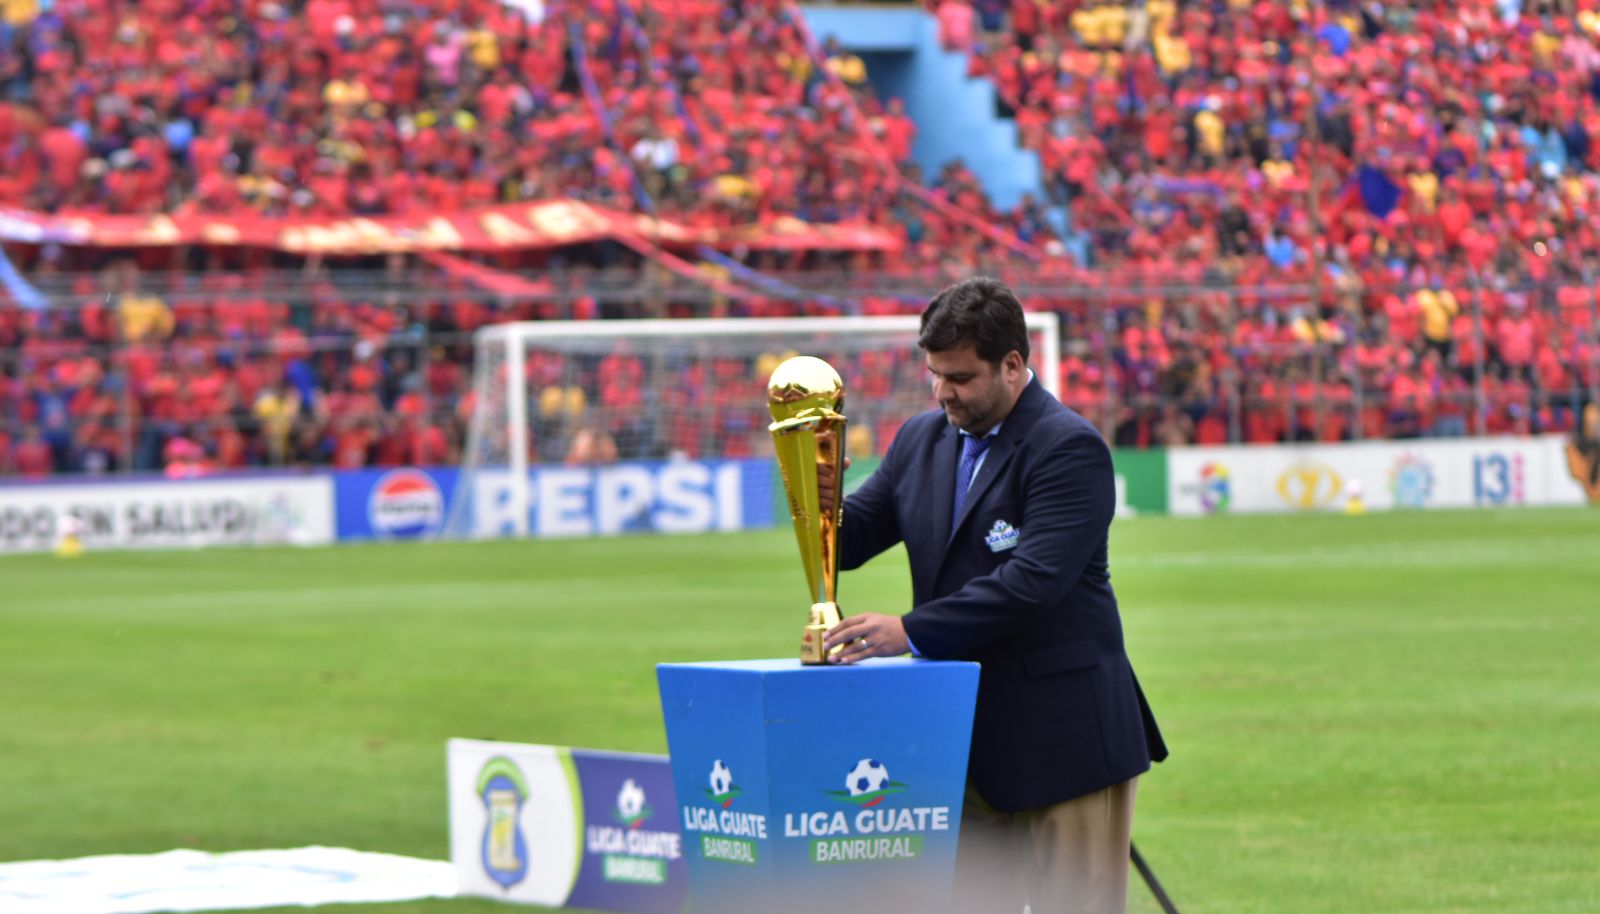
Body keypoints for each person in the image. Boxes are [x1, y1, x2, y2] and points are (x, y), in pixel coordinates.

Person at [822, 277, 1166, 914]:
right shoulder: (919, 440)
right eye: (935, 374)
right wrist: (812, 494)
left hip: (1065, 742)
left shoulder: (1068, 447)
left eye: (959, 377)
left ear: (1013, 365)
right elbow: (847, 541)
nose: (942, 392)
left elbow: (1031, 583)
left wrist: (910, 630)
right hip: (960, 743)